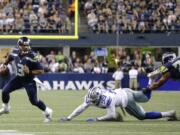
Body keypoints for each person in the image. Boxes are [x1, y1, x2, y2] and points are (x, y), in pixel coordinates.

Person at [0, 37, 53, 122]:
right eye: (24, 46)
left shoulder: (33, 56)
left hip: (29, 81)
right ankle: (6, 108)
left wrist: (30, 72)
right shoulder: (14, 52)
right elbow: (10, 57)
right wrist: (5, 64)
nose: (26, 47)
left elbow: (41, 71)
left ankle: (47, 111)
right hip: (19, 78)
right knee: (5, 91)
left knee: (34, 101)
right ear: (19, 46)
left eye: (27, 45)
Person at [60, 86, 178, 122]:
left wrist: (97, 119)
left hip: (126, 99)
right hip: (125, 90)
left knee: (142, 116)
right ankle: (150, 84)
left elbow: (111, 114)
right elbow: (81, 107)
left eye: (93, 100)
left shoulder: (107, 99)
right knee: (145, 97)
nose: (91, 102)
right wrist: (69, 118)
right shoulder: (92, 96)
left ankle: (169, 113)